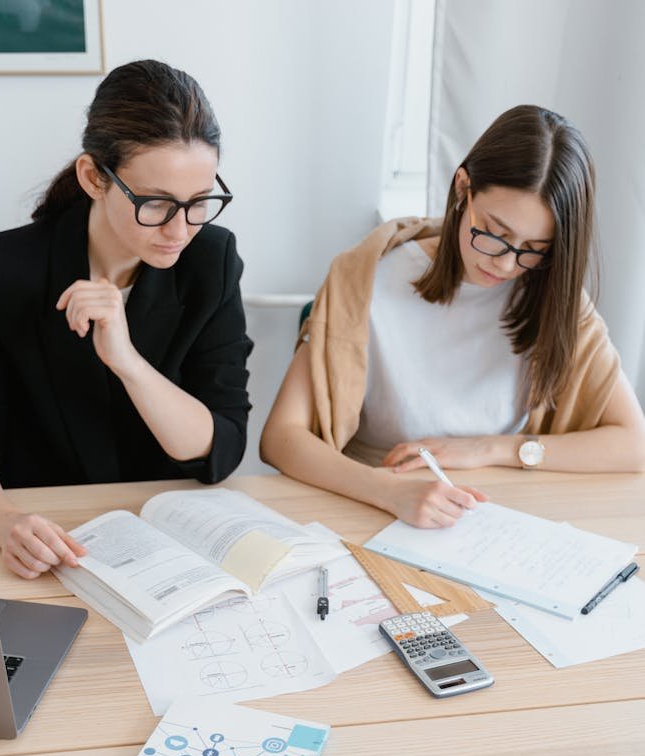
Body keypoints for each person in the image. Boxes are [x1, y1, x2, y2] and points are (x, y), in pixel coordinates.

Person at [260, 105, 645, 529]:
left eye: (533, 248)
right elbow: (281, 437)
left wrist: (492, 449)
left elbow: (633, 444)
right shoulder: (367, 276)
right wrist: (387, 492)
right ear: (463, 188)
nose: (506, 264)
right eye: (494, 233)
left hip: (501, 514)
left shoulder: (556, 299)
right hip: (374, 505)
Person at [0, 59, 252, 579]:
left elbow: (220, 446)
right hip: (51, 537)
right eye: (155, 203)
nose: (180, 230)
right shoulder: (6, 268)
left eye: (200, 202)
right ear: (94, 177)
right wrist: (5, 522)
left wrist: (128, 362)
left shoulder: (211, 261)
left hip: (165, 545)